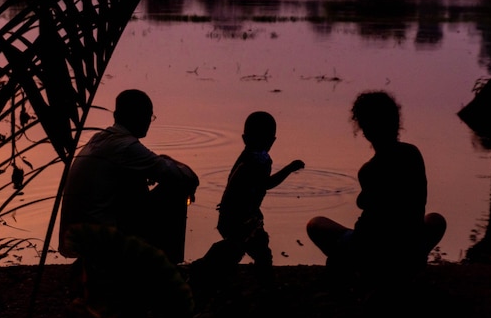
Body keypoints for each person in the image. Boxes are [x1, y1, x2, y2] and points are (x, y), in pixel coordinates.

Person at [59, 89, 199, 318]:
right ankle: (166, 263)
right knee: (175, 191)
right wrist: (169, 164)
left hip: (81, 234)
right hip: (101, 235)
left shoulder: (100, 140)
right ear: (136, 117)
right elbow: (185, 177)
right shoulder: (126, 147)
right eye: (147, 116)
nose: (148, 122)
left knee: (138, 182)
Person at [306, 91, 446, 298]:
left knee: (316, 224)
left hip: (373, 253)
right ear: (396, 122)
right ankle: (405, 266)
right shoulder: (413, 154)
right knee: (436, 220)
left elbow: (370, 216)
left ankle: (360, 268)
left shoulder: (370, 170)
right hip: (410, 248)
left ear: (365, 130)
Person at [190, 111, 305, 289]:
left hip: (241, 216)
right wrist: (289, 169)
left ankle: (263, 288)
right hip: (239, 218)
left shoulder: (252, 157)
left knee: (254, 250)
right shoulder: (256, 160)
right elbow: (266, 184)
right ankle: (204, 269)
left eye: (264, 140)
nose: (262, 144)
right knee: (241, 250)